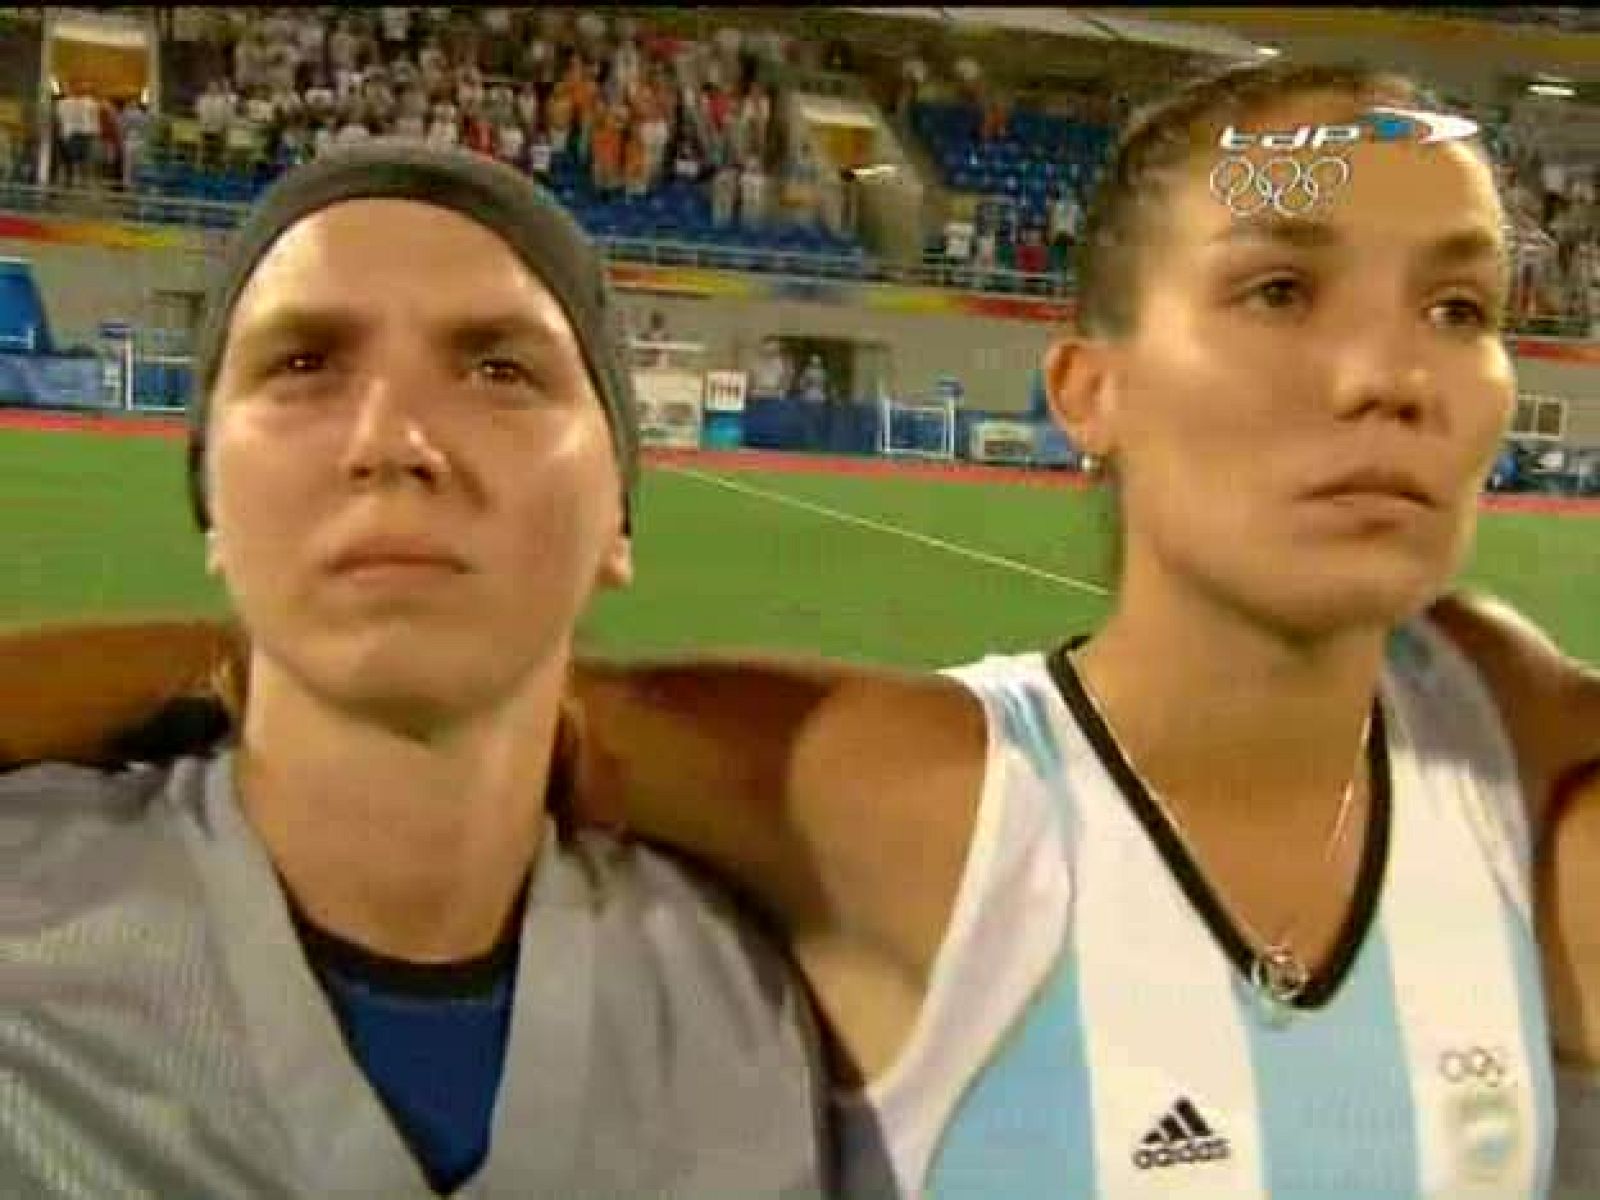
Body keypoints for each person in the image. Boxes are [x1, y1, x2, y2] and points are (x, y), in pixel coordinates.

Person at [5, 64, 1600, 1198]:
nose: (1387, 373)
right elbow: (494, 696)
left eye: (1459, 308)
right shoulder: (883, 805)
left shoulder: (1514, 762)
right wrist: (248, 657)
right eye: (1278, 292)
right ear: (1086, 390)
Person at [0, 143, 837, 1198]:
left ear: (618, 519)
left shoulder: (775, 1008)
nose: (392, 440)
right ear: (211, 501)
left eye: (499, 370)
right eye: (303, 364)